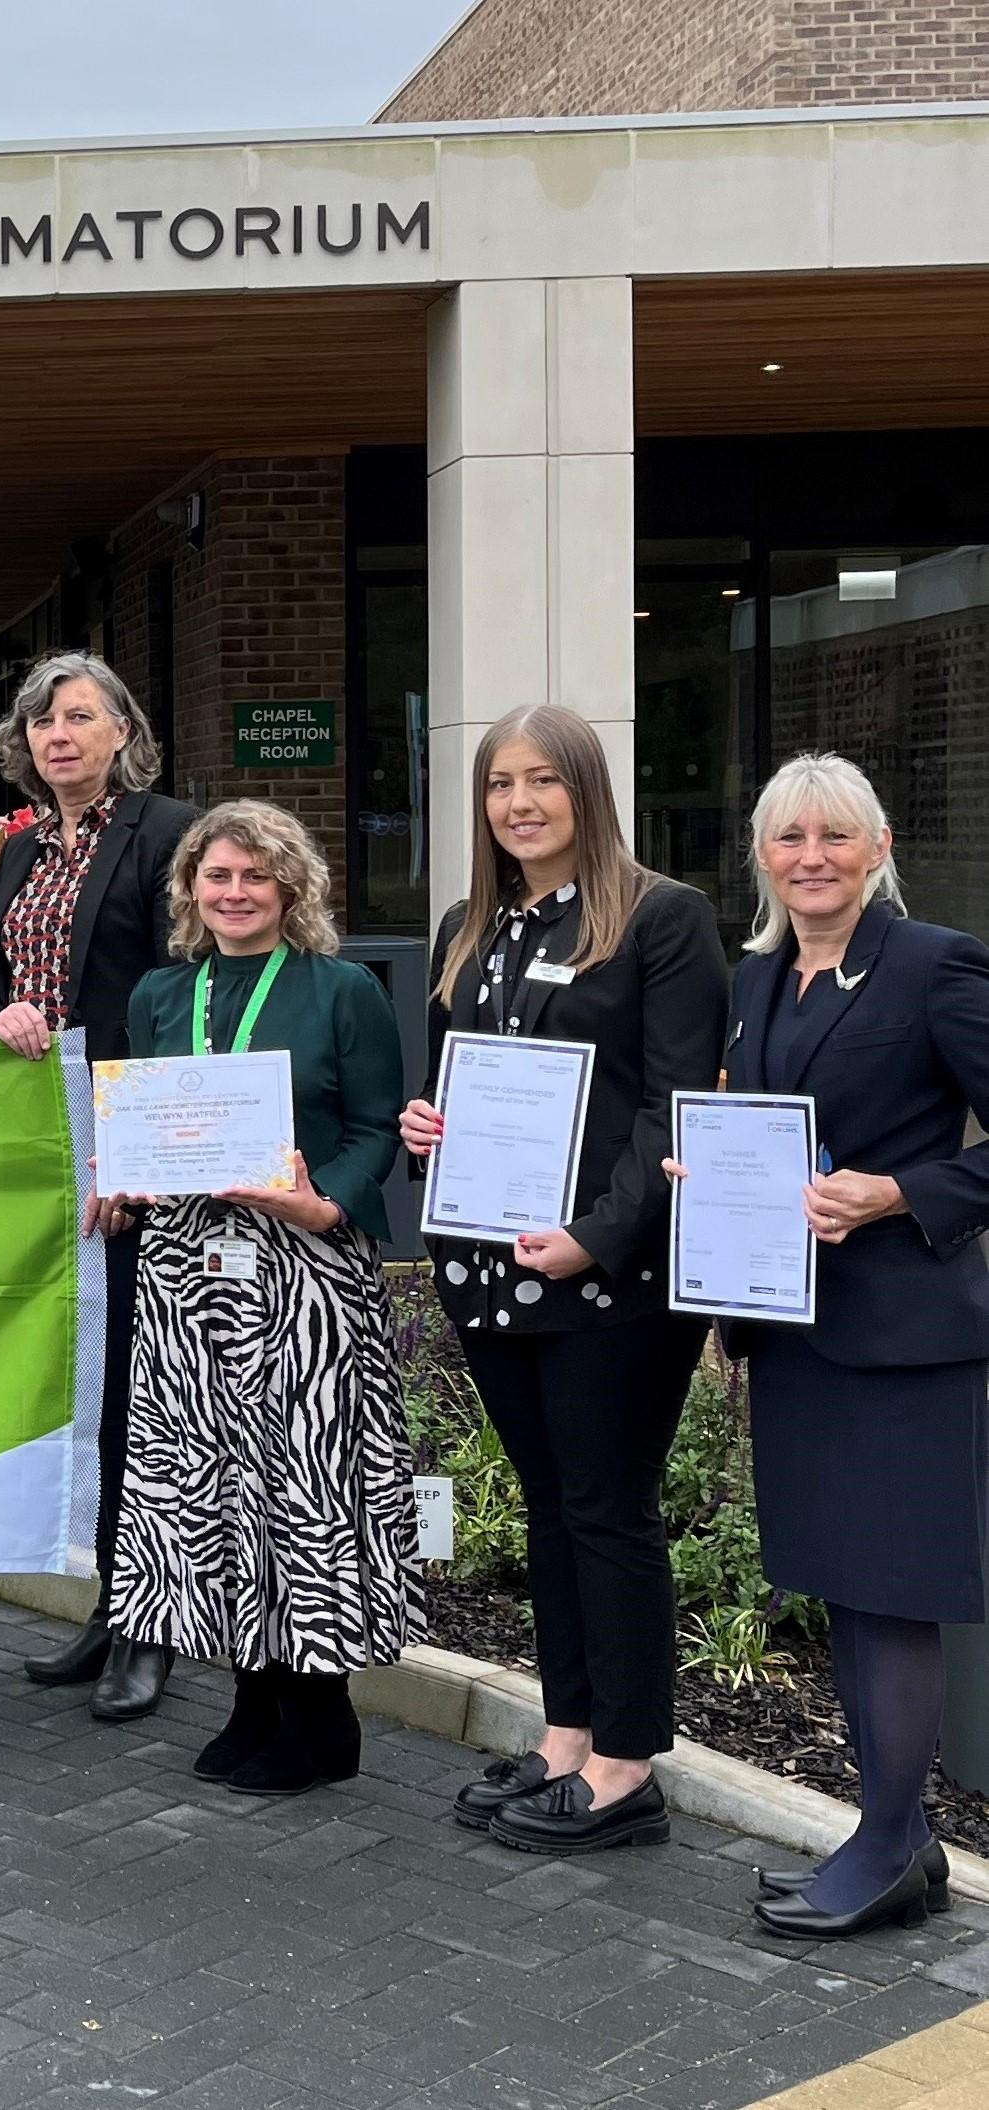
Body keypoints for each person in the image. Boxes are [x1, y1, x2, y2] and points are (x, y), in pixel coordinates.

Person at [399, 704, 725, 1854]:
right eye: (499, 784)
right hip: (492, 1270)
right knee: (550, 1507)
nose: (519, 803)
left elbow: (673, 1105)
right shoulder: (466, 925)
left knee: (606, 1506)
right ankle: (565, 1733)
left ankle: (627, 1764)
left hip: (610, 1283)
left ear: (586, 790)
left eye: (543, 781)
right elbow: (455, 1088)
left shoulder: (662, 919)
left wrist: (597, 1232)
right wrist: (424, 1126)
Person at [691, 755, 989, 1935]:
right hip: (795, 1328)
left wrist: (898, 1194)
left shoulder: (933, 965)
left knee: (889, 1593)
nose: (808, 855)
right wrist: (701, 1172)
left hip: (902, 1338)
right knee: (841, 1586)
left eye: (833, 835)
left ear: (876, 848)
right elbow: (751, 1128)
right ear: (760, 856)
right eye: (785, 837)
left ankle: (885, 1838)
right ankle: (896, 1844)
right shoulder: (756, 976)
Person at [102, 802, 417, 1797]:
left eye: (253, 876)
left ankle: (321, 1715)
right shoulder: (161, 993)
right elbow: (146, 1113)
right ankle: (250, 1693)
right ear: (190, 888)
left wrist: (325, 1203)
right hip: (189, 1270)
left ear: (290, 887)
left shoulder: (341, 992)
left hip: (301, 1270)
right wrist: (115, 1173)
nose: (233, 893)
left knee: (302, 1486)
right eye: (215, 876)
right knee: (208, 1481)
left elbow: (376, 1127)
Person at [0, 651, 200, 1723]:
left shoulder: (164, 835)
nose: (58, 736)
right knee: (86, 1383)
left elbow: (179, 996)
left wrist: (137, 1154)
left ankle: (150, 1627)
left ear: (120, 730)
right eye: (42, 722)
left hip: (128, 1154)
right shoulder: (18, 854)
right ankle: (108, 1604)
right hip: (41, 1155)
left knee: (142, 1395)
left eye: (79, 717)